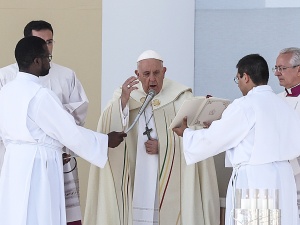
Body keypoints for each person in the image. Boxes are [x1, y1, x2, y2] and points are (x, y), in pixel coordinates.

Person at [0, 36, 127, 225]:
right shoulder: (40, 95)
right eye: (46, 57)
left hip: (13, 164)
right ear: (37, 61)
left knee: (16, 215)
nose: (49, 60)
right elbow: (69, 133)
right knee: (40, 215)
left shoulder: (6, 91)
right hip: (38, 166)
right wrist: (105, 140)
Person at [84, 50, 220, 225]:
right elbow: (108, 127)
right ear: (137, 75)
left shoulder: (181, 97)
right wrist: (123, 103)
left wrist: (164, 147)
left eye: (156, 73)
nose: (152, 79)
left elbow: (194, 137)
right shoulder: (125, 95)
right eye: (146, 74)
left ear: (164, 72)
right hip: (137, 171)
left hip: (166, 175)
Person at [173, 54, 300, 225]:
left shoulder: (245, 104)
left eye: (237, 78)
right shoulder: (280, 103)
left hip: (257, 180)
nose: (238, 83)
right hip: (284, 178)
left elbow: (214, 139)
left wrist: (187, 133)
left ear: (245, 77)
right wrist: (219, 125)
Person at [0, 20, 88, 225]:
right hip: (25, 159)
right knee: (38, 211)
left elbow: (77, 112)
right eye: (42, 43)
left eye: (50, 42)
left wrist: (63, 145)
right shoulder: (6, 77)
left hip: (47, 157)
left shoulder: (66, 75)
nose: (47, 49)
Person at [274, 47, 300, 216]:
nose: (277, 73)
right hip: (280, 172)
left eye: (282, 68)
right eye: (276, 68)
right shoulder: (274, 101)